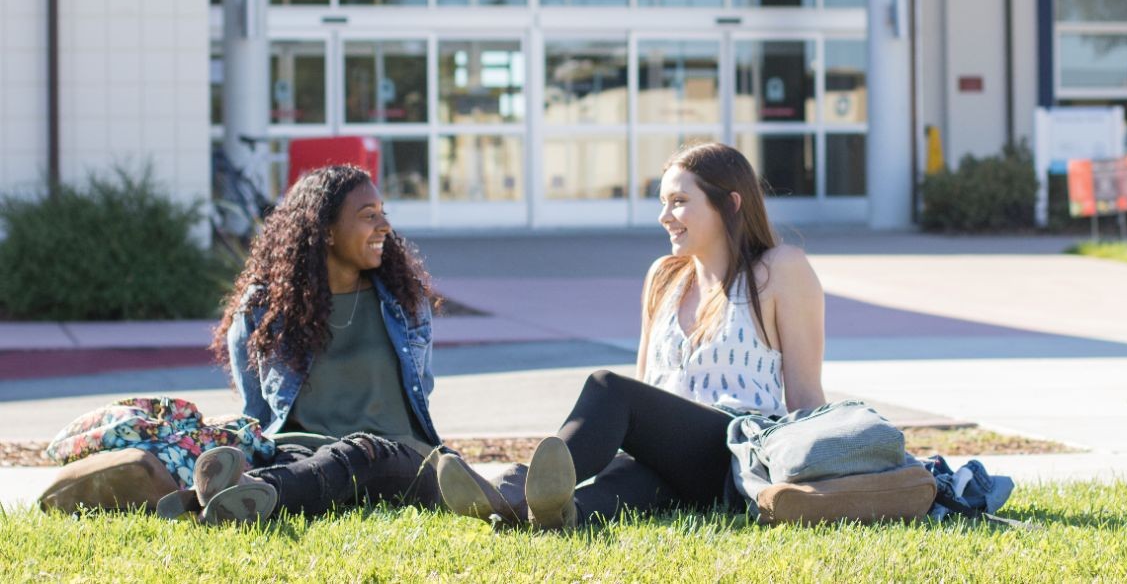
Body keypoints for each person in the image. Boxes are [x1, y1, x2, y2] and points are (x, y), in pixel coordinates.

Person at [436, 141, 826, 529]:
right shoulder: (665, 276)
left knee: (610, 388)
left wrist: (824, 477)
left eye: (678, 201)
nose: (664, 216)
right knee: (621, 486)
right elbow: (647, 390)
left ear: (731, 203)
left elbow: (805, 397)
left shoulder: (778, 269)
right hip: (673, 462)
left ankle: (513, 487)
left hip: (735, 456)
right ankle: (536, 516)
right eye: (662, 201)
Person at [157, 164, 462, 525]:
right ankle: (239, 497)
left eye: (383, 214)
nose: (384, 226)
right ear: (327, 232)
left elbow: (420, 392)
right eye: (369, 216)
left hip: (399, 456)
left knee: (361, 453)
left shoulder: (403, 302)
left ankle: (225, 497)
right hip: (300, 452)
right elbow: (258, 412)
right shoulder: (264, 310)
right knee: (302, 462)